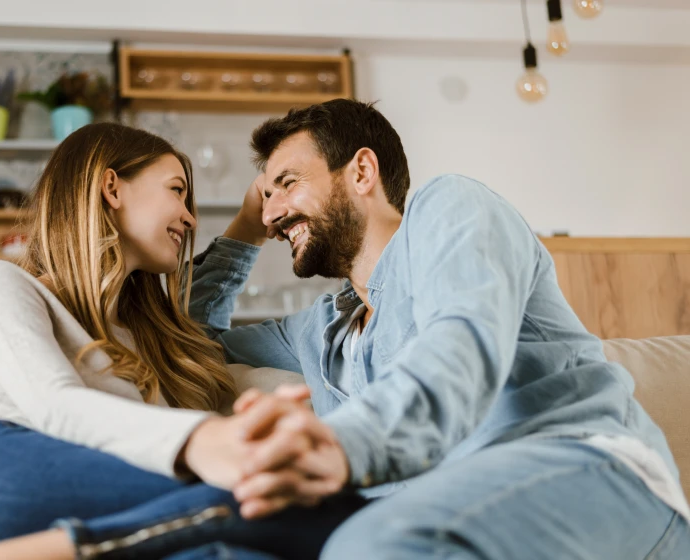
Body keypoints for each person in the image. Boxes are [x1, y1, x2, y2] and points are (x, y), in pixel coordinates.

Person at [187, 99, 690, 558]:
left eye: (289, 182)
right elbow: (189, 340)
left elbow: (458, 349)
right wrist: (245, 229)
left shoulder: (450, 209)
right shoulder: (317, 331)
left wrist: (342, 444)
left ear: (362, 171)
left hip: (593, 478)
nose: (273, 213)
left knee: (369, 547)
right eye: (265, 197)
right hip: (446, 516)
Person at [0, 123, 366, 560]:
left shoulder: (153, 340)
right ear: (112, 187)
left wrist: (250, 227)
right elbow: (54, 406)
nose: (190, 218)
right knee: (308, 501)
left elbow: (199, 323)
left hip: (104, 526)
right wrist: (201, 442)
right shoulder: (6, 282)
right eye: (177, 190)